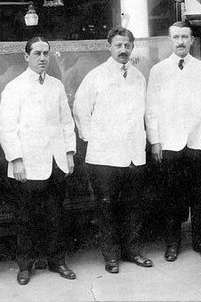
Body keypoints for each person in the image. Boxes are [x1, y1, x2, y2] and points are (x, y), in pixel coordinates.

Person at [73, 26, 153, 274]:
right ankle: (111, 256)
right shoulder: (96, 76)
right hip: (104, 156)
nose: (123, 50)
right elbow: (80, 110)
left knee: (132, 205)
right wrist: (93, 139)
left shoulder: (139, 76)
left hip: (132, 154)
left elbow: (144, 112)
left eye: (127, 45)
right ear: (109, 47)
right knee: (106, 207)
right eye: (118, 45)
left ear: (132, 47)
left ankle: (132, 250)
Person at [0, 36, 78, 285]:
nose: (43, 58)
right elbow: (6, 128)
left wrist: (69, 153)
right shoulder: (14, 87)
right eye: (37, 54)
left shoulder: (56, 85)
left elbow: (66, 121)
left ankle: (57, 261)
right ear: (26, 57)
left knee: (56, 215)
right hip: (28, 163)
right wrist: (16, 159)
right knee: (25, 218)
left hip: (55, 160)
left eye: (46, 53)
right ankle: (25, 265)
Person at [145, 21, 201, 262]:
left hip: (198, 142)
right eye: (176, 37)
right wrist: (155, 140)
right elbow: (151, 108)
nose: (180, 42)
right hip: (170, 144)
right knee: (171, 197)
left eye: (185, 37)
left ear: (192, 40)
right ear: (170, 40)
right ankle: (172, 244)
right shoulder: (158, 70)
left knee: (199, 197)